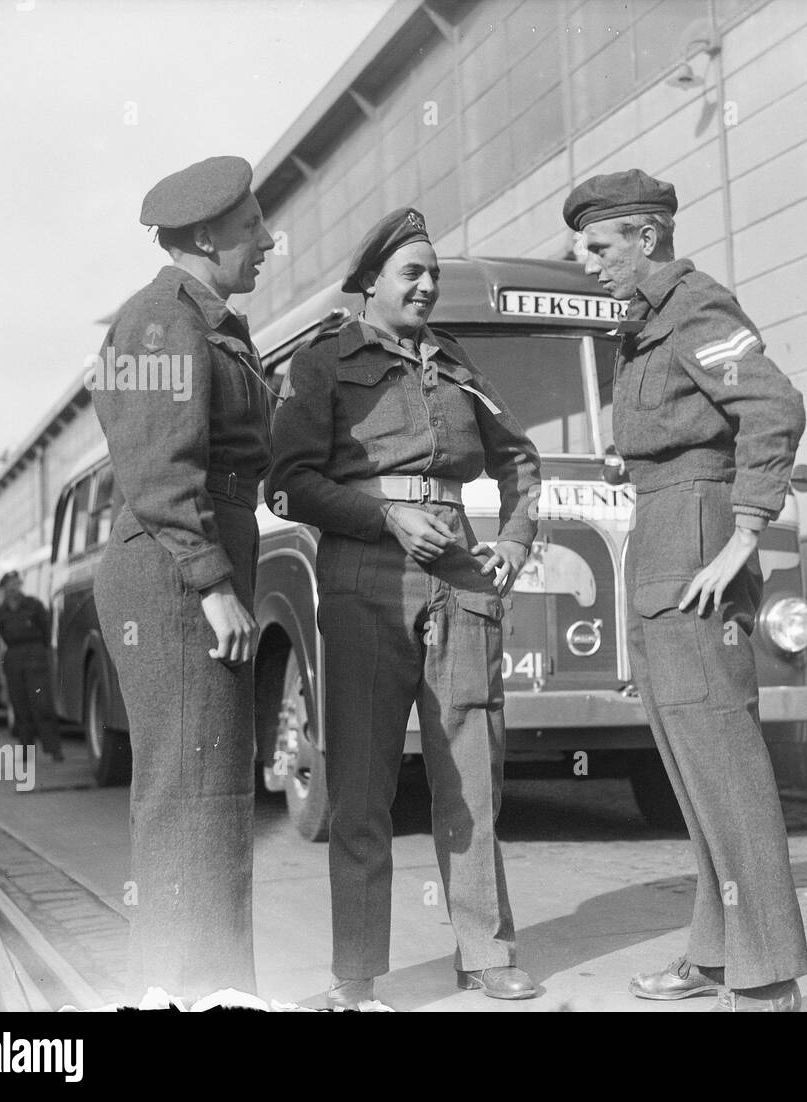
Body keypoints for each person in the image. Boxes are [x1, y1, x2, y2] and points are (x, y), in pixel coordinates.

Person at [266, 207, 542, 1009]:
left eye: (434, 274)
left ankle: (486, 954)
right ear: (371, 283)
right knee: (361, 784)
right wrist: (383, 516)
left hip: (460, 577)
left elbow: (520, 461)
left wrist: (517, 542)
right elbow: (285, 482)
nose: (427, 286)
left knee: (472, 778)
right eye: (412, 273)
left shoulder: (458, 365)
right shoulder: (323, 364)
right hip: (363, 580)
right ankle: (355, 976)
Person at [564, 169, 807, 1013]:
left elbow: (772, 406)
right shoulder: (647, 323)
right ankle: (715, 956)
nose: (587, 261)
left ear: (648, 237)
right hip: (663, 534)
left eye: (599, 247)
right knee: (690, 766)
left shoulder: (697, 305)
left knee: (727, 766)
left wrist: (746, 531)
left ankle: (770, 979)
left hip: (700, 538)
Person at [91, 155, 275, 1002]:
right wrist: (213, 583)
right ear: (205, 236)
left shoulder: (210, 322)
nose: (267, 243)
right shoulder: (161, 322)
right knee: (188, 791)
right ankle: (178, 990)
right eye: (251, 230)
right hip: (173, 571)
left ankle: (207, 987)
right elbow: (161, 469)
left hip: (198, 557)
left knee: (214, 786)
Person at [0, 571, 64, 762]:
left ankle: (53, 749)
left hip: (34, 656)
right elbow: (3, 632)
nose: (13, 588)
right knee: (20, 707)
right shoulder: (2, 610)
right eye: (9, 585)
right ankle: (26, 751)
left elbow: (46, 628)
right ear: (5, 588)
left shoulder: (33, 605)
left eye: (16, 584)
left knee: (42, 705)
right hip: (14, 659)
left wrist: (41, 652)